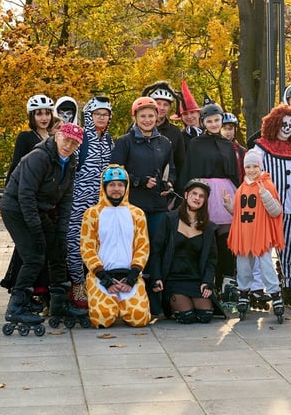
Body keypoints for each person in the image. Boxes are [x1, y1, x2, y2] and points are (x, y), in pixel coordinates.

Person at [1, 123, 89, 331]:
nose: (68, 145)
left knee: (58, 249)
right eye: (66, 139)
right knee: (34, 255)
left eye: (74, 143)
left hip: (40, 209)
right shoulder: (39, 157)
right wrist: (36, 231)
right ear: (57, 136)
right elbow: (25, 195)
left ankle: (59, 303)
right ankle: (17, 306)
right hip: (16, 208)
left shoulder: (70, 162)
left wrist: (62, 231)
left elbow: (66, 199)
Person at [80, 165, 151, 328]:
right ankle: (108, 304)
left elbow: (143, 247)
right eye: (112, 185)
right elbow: (87, 248)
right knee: (101, 319)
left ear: (126, 187)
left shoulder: (137, 214)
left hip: (130, 276)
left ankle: (125, 305)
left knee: (139, 318)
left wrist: (132, 277)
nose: (116, 189)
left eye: (120, 184)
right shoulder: (91, 214)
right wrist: (104, 278)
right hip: (101, 277)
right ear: (104, 187)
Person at [179, 102, 240, 290]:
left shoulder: (227, 144)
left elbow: (233, 172)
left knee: (226, 239)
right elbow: (190, 169)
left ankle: (226, 281)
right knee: (206, 238)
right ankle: (207, 281)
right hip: (204, 192)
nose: (214, 124)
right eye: (209, 121)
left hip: (225, 193)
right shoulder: (196, 144)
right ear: (203, 122)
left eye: (216, 120)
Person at [0, 94, 56, 301]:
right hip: (24, 201)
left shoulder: (54, 138)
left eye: (47, 113)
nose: (43, 118)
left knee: (39, 247)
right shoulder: (26, 137)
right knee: (29, 249)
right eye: (38, 114)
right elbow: (15, 167)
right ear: (32, 116)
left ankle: (38, 290)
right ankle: (22, 293)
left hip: (44, 204)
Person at [254, 104, 291, 307]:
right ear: (274, 124)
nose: (287, 129)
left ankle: (290, 284)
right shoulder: (260, 148)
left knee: (289, 247)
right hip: (265, 207)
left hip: (290, 207)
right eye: (283, 124)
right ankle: (257, 287)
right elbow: (252, 174)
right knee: (262, 248)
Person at [66, 96, 115, 310]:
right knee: (75, 243)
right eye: (97, 114)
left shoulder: (110, 141)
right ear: (89, 116)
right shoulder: (81, 139)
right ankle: (77, 284)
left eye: (105, 114)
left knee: (98, 244)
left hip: (101, 204)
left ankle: (95, 282)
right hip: (77, 202)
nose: (102, 118)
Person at [225, 149, 286, 322]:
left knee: (266, 266)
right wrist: (228, 205)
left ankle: (275, 293)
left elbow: (276, 211)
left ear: (260, 167)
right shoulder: (241, 188)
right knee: (243, 267)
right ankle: (244, 292)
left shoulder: (267, 185)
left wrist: (265, 196)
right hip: (245, 235)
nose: (251, 170)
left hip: (261, 234)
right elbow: (238, 213)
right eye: (248, 167)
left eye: (254, 166)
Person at [148, 179, 220, 324]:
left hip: (196, 280)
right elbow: (156, 251)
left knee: (205, 316)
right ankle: (172, 305)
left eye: (201, 196)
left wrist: (207, 281)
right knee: (187, 316)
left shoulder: (208, 227)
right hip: (173, 280)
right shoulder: (169, 219)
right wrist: (156, 277)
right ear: (186, 195)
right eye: (194, 194)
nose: (197, 198)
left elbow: (211, 259)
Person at [112, 97, 176, 240]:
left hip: (158, 204)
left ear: (156, 116)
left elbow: (171, 169)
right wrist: (140, 181)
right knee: (135, 245)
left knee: (158, 244)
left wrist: (169, 183)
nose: (147, 120)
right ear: (135, 117)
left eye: (151, 116)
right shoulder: (124, 142)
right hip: (133, 204)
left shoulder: (165, 143)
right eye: (143, 116)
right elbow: (116, 173)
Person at [142, 81, 187, 175]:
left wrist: (173, 182)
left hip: (166, 182)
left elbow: (180, 164)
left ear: (170, 107)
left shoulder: (175, 132)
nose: (161, 108)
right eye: (158, 103)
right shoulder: (135, 128)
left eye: (165, 104)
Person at [176, 80, 203, 148]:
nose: (189, 116)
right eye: (185, 114)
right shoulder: (180, 138)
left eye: (192, 112)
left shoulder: (209, 133)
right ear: (181, 117)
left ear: (199, 113)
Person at [220, 112, 246, 181]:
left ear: (235, 129)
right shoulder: (214, 148)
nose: (227, 132)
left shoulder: (241, 151)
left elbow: (245, 174)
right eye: (224, 129)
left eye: (230, 129)